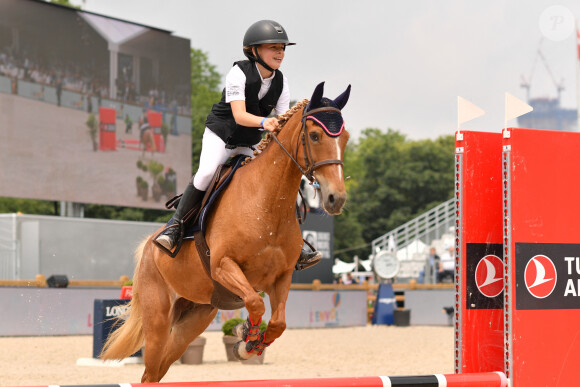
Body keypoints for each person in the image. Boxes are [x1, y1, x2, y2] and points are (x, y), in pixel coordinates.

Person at [155, 20, 321, 270]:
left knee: (275, 183)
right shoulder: (239, 73)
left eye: (282, 48)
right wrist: (267, 122)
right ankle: (174, 227)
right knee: (208, 172)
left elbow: (283, 122)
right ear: (254, 51)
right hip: (221, 135)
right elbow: (241, 116)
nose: (279, 53)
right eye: (273, 47)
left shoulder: (281, 82)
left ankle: (294, 244)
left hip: (247, 143)